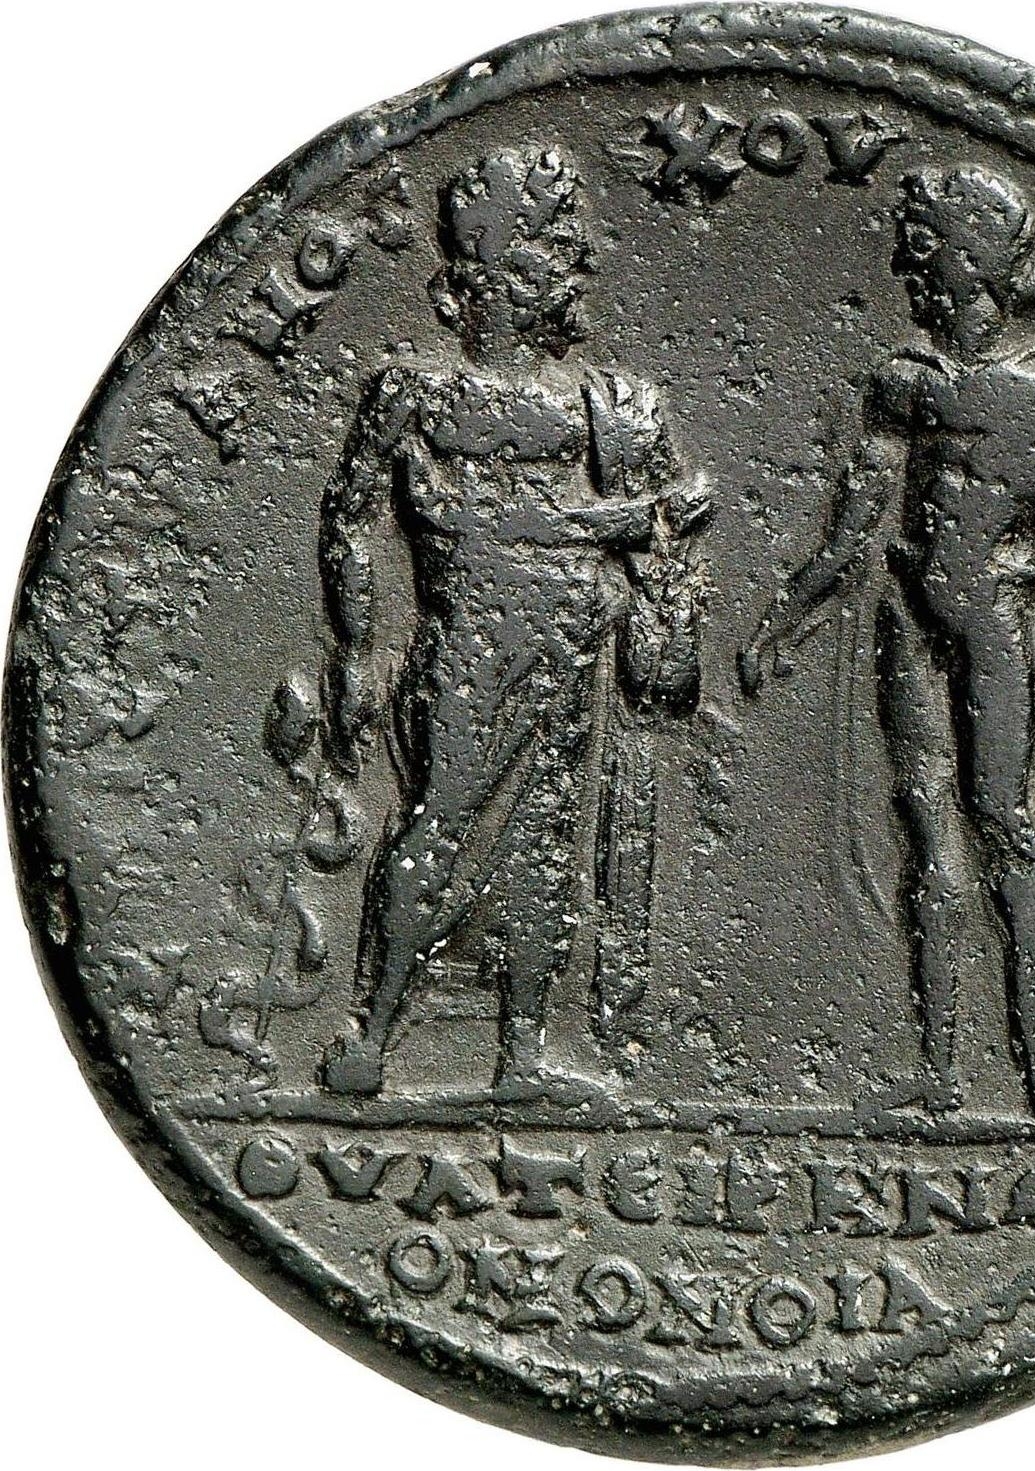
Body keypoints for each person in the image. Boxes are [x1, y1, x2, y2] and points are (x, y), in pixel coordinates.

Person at [740, 167, 1035, 1124]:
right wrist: (784, 617)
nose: (905, 269)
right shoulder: (905, 384)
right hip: (913, 621)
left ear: (963, 261)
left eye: (918, 252)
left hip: (999, 623)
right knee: (927, 831)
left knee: (1003, 822)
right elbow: (855, 524)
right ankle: (941, 1070)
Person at [319, 147, 708, 1097]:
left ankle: (522, 1052)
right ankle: (371, 1037)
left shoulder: (602, 405)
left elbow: (647, 533)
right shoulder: (416, 395)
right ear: (479, 279)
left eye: (564, 256)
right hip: (468, 649)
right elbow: (360, 519)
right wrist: (357, 651)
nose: (568, 273)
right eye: (542, 257)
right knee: (440, 826)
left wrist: (652, 539)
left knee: (544, 845)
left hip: (571, 648)